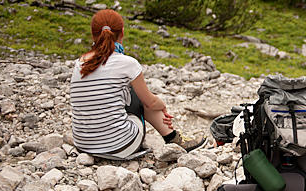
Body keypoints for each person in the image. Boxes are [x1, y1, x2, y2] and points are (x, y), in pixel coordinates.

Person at [70, 9, 205, 160]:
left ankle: (172, 138)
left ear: (93, 34)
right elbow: (150, 102)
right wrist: (162, 104)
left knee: (122, 92)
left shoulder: (79, 63)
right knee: (137, 95)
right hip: (120, 146)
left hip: (83, 145)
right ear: (122, 33)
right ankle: (173, 138)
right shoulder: (127, 63)